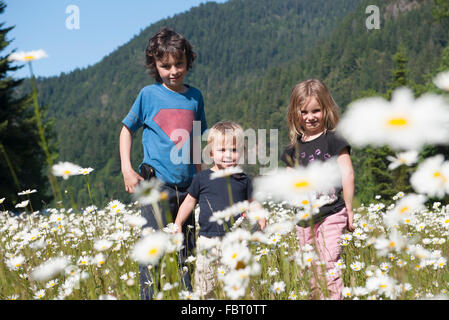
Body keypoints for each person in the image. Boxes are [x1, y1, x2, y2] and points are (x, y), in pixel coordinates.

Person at [119, 27, 207, 300]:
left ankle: (188, 299)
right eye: (165, 65)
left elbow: (195, 140)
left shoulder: (195, 97)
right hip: (156, 184)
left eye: (179, 64)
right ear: (154, 66)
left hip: (188, 187)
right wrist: (127, 168)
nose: (173, 71)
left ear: (187, 62)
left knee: (187, 252)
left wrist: (201, 181)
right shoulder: (148, 95)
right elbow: (126, 130)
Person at [281, 79, 355, 300]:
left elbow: (347, 173)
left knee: (329, 264)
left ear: (326, 109)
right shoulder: (291, 150)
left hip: (332, 213)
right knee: (311, 270)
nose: (310, 117)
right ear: (295, 113)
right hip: (305, 219)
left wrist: (349, 210)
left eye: (316, 110)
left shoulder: (334, 140)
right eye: (304, 112)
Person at [174, 121, 266, 298]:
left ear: (242, 153)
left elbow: (253, 202)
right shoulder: (202, 178)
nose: (228, 155)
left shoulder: (243, 179)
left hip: (237, 242)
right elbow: (188, 202)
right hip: (208, 242)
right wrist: (178, 223)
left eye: (234, 150)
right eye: (222, 150)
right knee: (206, 286)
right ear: (210, 153)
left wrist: (261, 217)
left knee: (242, 285)